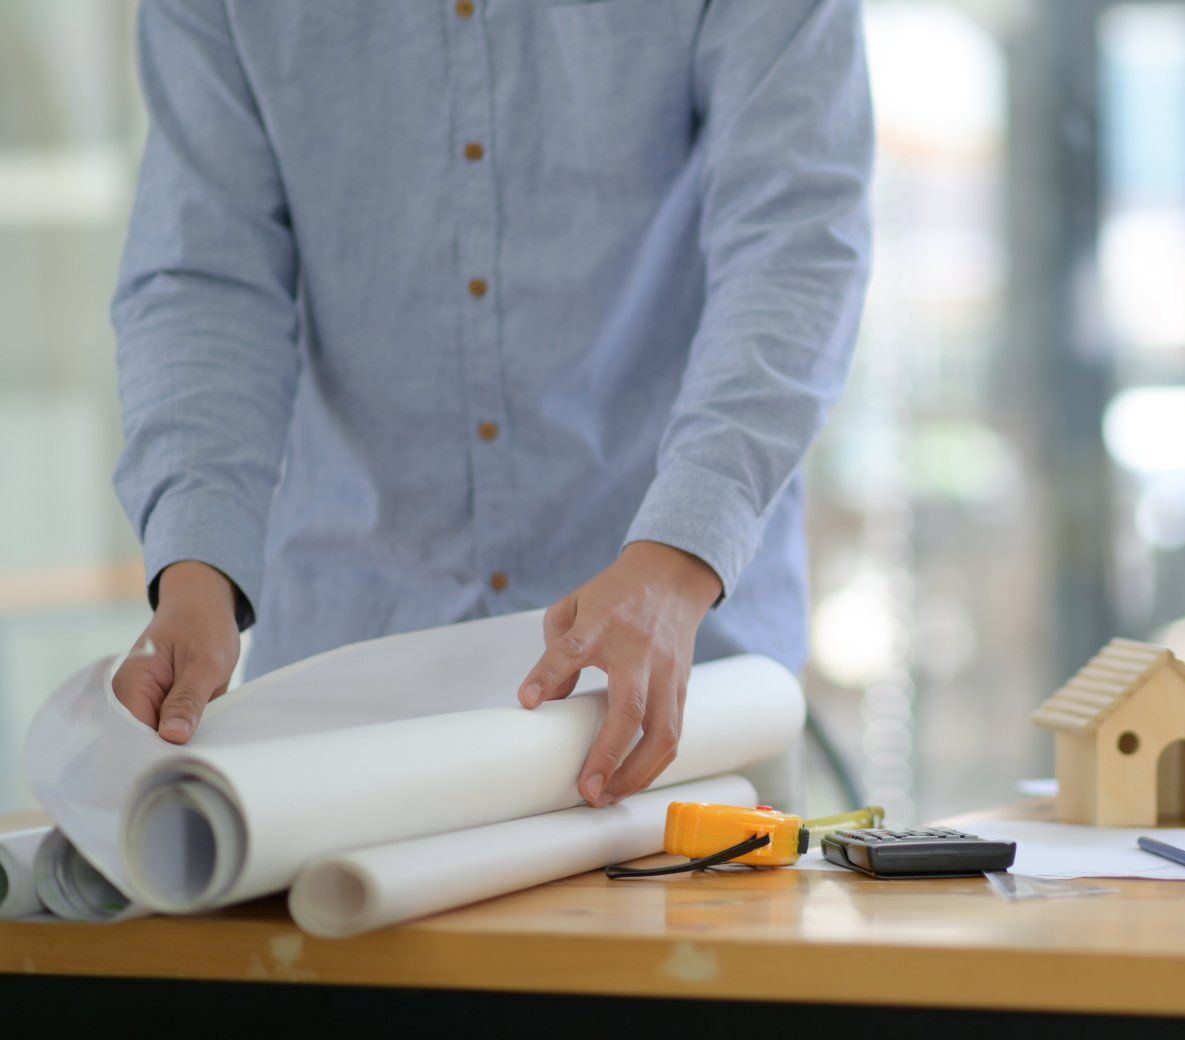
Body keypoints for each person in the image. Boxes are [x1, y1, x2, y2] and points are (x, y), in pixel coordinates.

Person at [106, 0, 871, 809]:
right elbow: (205, 280)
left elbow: (794, 239)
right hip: (347, 701)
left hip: (679, 698)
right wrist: (197, 568)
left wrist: (681, 552)